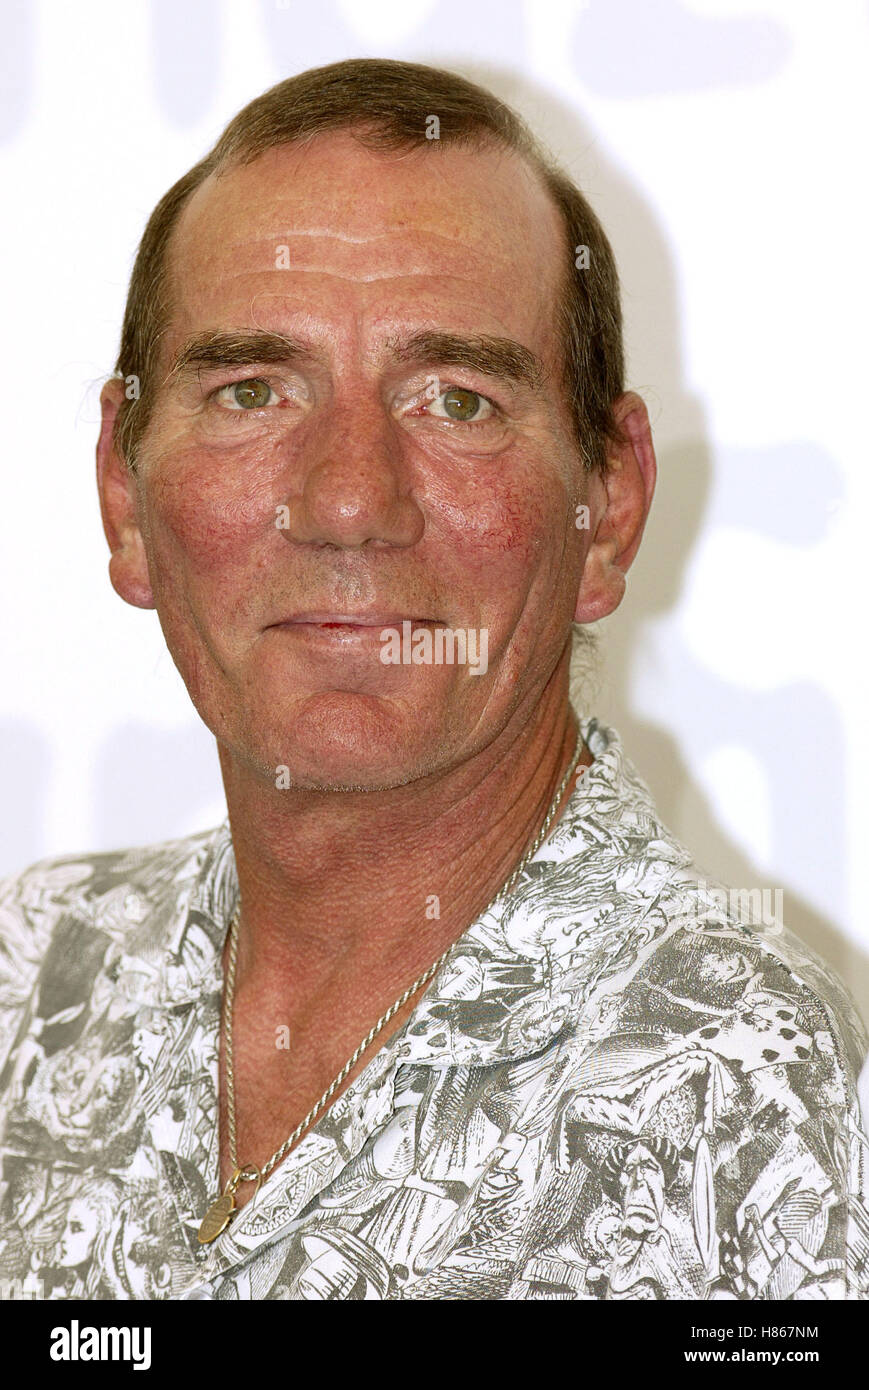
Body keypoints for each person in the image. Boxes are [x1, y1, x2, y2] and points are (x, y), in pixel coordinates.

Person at [0, 58, 866, 1301]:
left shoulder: (753, 1103)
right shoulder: (34, 974)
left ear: (608, 507)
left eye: (456, 399)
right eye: (251, 390)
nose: (349, 500)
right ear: (122, 498)